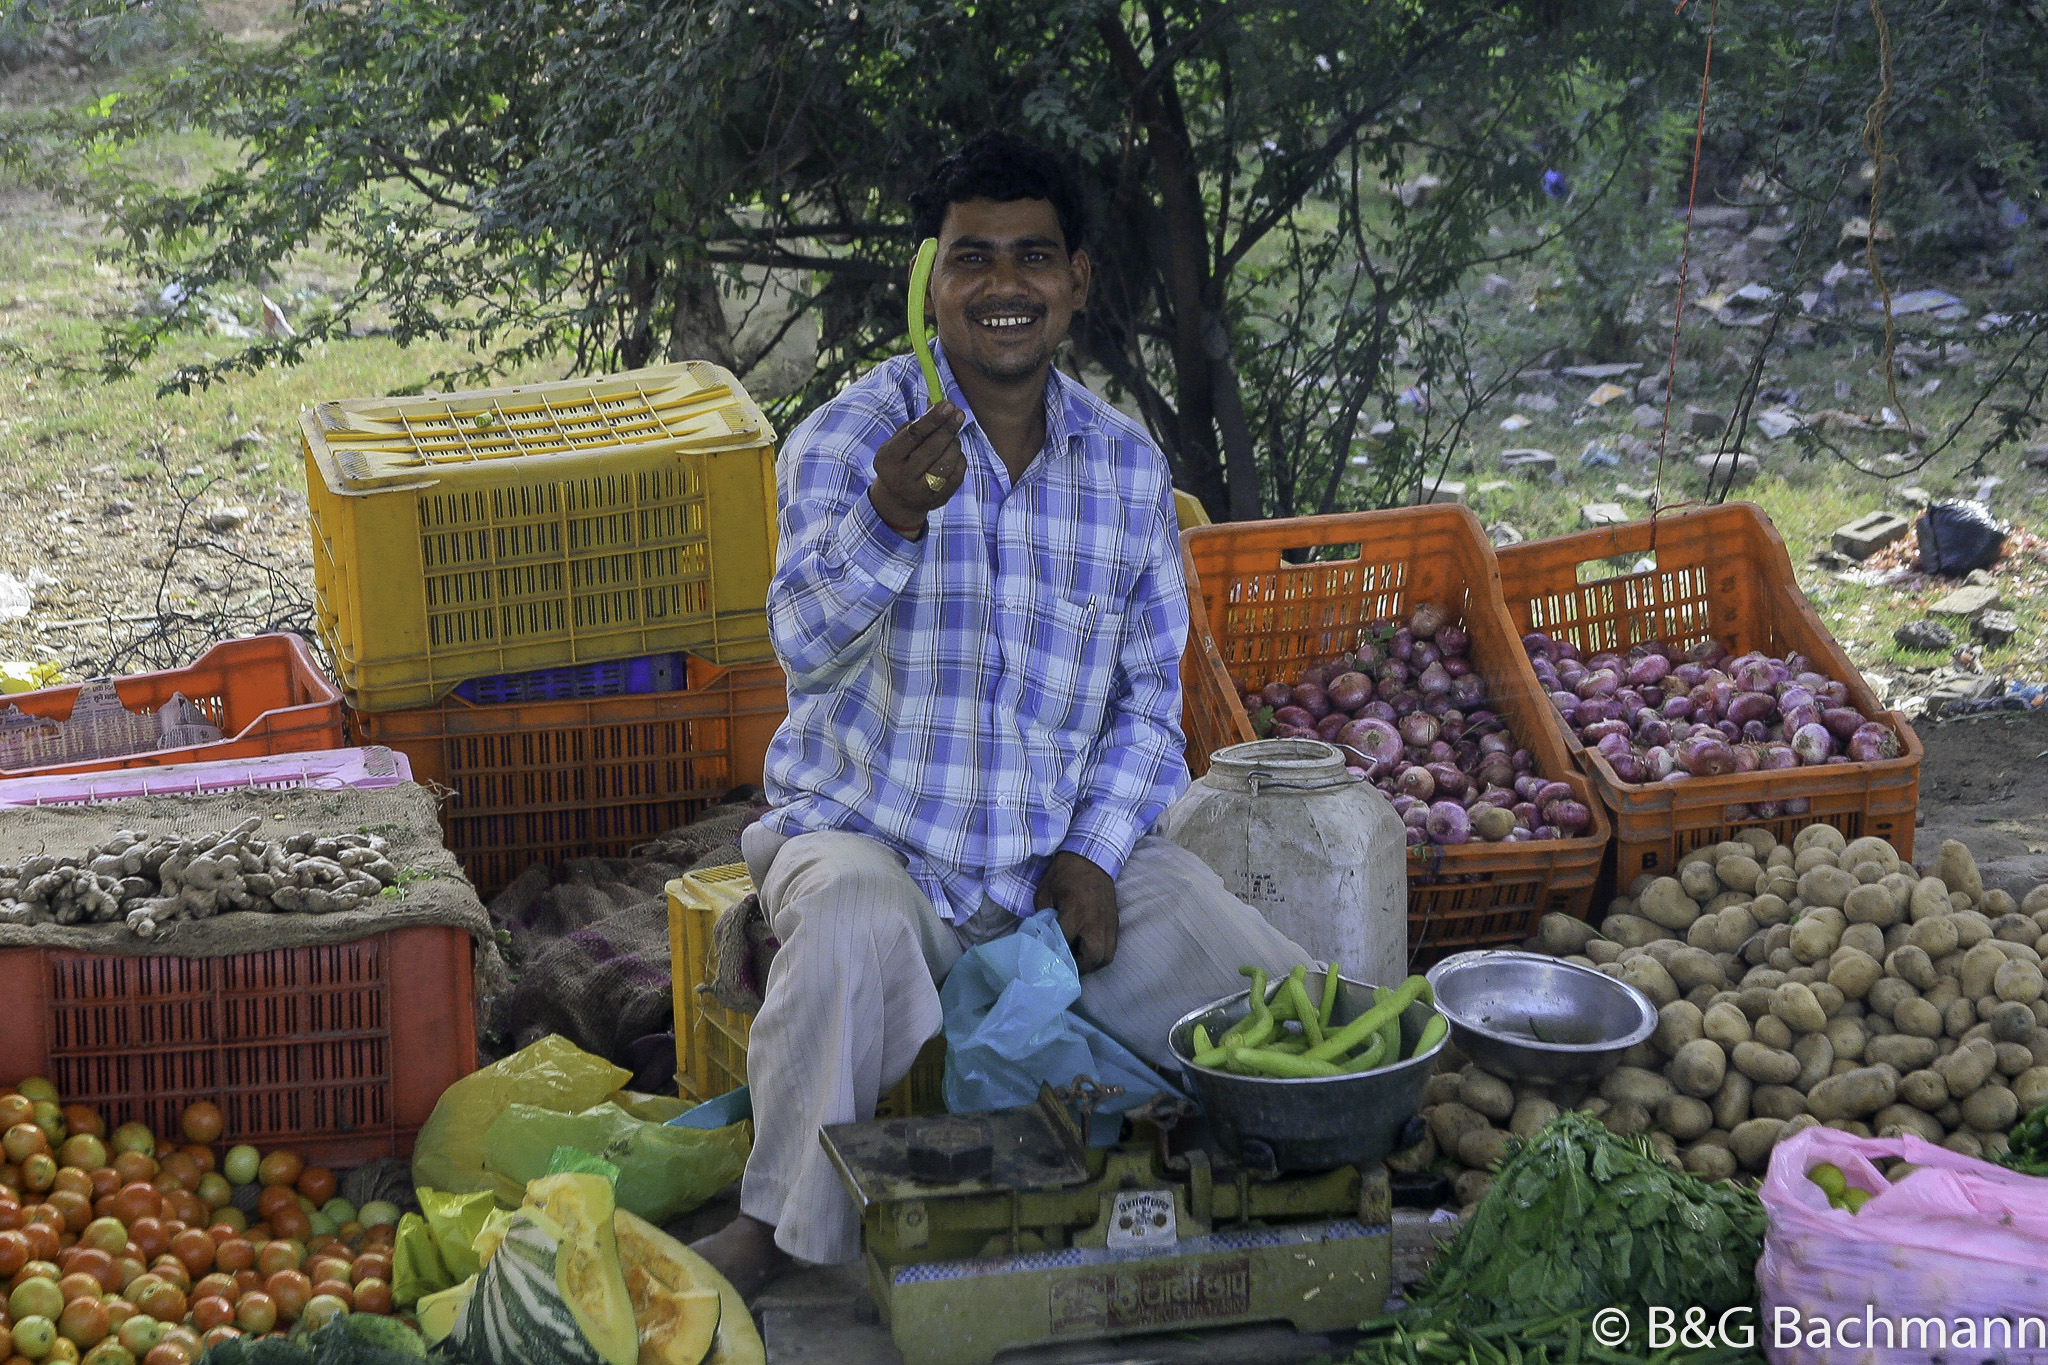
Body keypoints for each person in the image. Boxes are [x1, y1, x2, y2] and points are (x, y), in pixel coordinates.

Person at [690, 131, 1308, 1298]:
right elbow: (801, 648)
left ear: (1074, 282)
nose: (1002, 286)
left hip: (1053, 869)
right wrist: (888, 519)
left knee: (1252, 982)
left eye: (1031, 256)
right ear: (932, 282)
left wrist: (1093, 850)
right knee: (838, 925)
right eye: (971, 258)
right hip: (878, 845)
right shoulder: (849, 438)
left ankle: (1324, 1154)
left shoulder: (1125, 469)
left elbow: (1148, 703)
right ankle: (774, 1225)